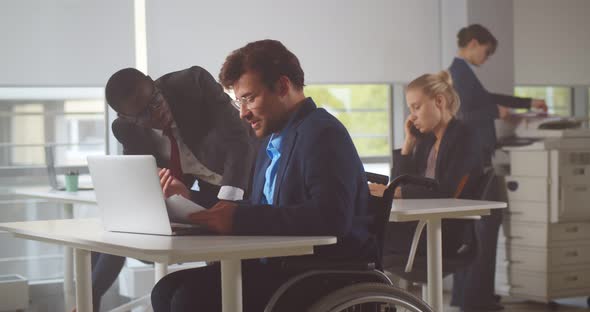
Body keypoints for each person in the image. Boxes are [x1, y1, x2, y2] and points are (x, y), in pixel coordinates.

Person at [150, 39, 377, 312]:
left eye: (249, 98)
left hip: (320, 274)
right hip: (278, 268)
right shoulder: (270, 142)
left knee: (189, 299)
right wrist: (190, 198)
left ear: (282, 87)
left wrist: (238, 219)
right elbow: (259, 209)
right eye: (239, 101)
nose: (243, 113)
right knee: (166, 290)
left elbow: (331, 217)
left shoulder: (322, 133)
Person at [87, 66, 255, 312]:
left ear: (152, 82)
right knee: (116, 230)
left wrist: (228, 201)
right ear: (126, 117)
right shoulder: (125, 129)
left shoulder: (192, 83)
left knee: (226, 266)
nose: (157, 110)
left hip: (245, 175)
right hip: (200, 187)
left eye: (155, 99)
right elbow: (141, 177)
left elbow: (240, 140)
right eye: (145, 113)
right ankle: (88, 303)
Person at [448, 24, 547, 311]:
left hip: (477, 160)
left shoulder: (463, 73)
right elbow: (467, 110)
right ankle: (477, 301)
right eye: (487, 52)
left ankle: (469, 298)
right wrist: (499, 113)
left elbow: (486, 99)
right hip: (478, 162)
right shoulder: (459, 72)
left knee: (476, 232)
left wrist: (527, 102)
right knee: (483, 231)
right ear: (475, 43)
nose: (487, 58)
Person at [369, 71, 483, 263]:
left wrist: (394, 192)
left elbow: (447, 190)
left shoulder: (465, 136)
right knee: (366, 230)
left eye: (416, 107)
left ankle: (378, 291)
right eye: (410, 110)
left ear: (439, 101)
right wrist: (408, 144)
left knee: (368, 236)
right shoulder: (426, 141)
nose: (412, 117)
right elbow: (401, 182)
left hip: (446, 232)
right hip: (421, 226)